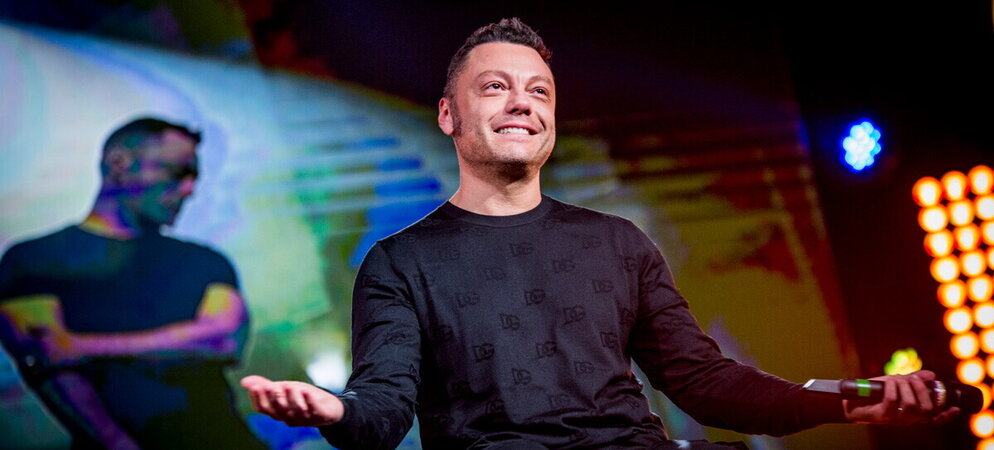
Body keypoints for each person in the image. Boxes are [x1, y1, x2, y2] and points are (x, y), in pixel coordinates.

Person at [240, 18, 958, 449]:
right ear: (448, 116)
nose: (522, 102)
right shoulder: (400, 263)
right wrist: (334, 410)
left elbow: (707, 384)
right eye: (494, 87)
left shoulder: (618, 243)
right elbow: (382, 411)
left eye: (539, 91)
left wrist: (845, 400)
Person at [0, 118, 265, 449]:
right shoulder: (33, 259)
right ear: (119, 164)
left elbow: (222, 340)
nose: (189, 190)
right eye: (177, 172)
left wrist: (79, 347)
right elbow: (48, 366)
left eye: (194, 177)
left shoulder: (204, 261)